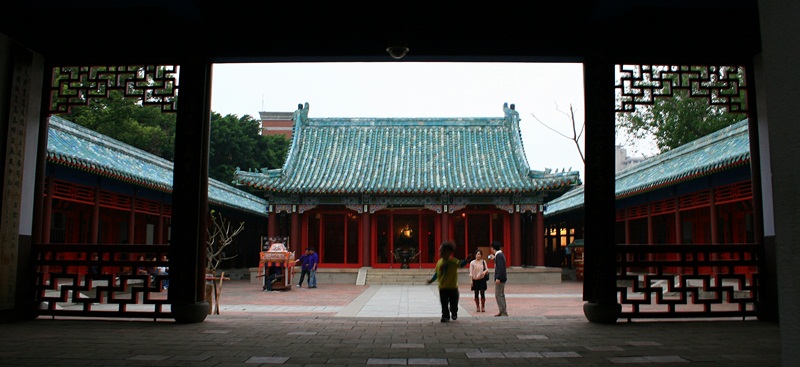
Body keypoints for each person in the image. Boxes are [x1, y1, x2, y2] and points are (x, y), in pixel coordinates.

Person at [426, 241, 470, 322]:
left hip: (452, 287)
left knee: (454, 302)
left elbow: (460, 264)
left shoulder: (453, 261)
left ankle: (454, 311)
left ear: (449, 252)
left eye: (442, 251)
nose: (440, 253)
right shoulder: (439, 262)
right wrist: (431, 280)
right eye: (440, 251)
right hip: (442, 287)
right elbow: (437, 273)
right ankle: (445, 315)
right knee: (444, 303)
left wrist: (466, 260)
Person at [489, 241, 508, 316]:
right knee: (501, 294)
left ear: (492, 248)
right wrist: (494, 259)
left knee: (498, 294)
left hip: (500, 278)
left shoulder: (499, 255)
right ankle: (502, 310)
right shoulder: (499, 255)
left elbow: (500, 268)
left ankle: (503, 311)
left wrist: (498, 278)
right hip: (502, 277)